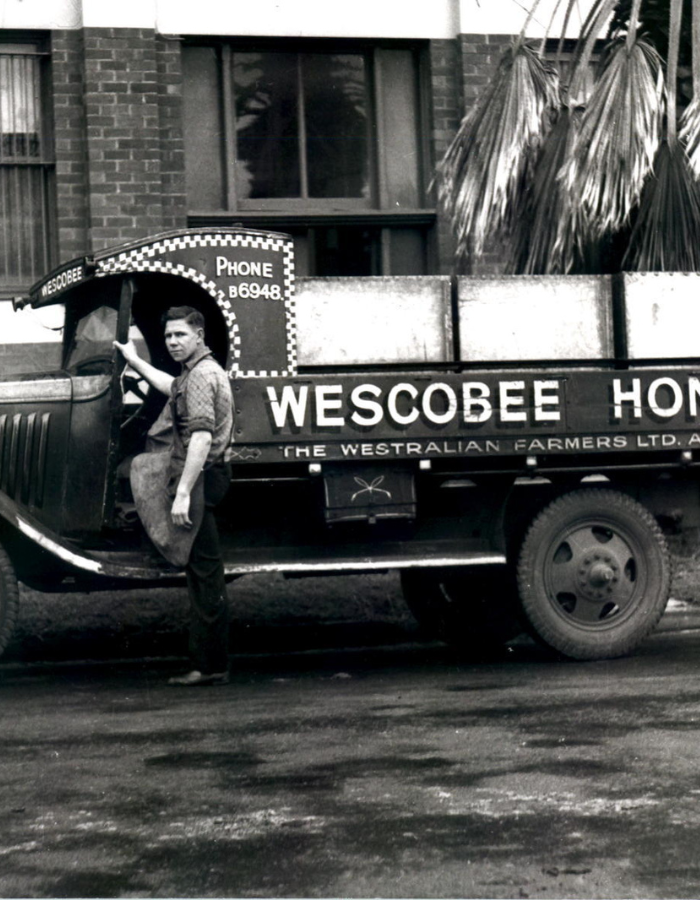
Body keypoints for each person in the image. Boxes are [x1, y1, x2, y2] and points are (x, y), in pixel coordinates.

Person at [114, 306, 233, 686]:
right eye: (168, 336)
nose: (172, 342)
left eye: (180, 334)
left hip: (201, 478)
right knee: (203, 572)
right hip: (205, 476)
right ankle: (211, 664)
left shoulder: (201, 377)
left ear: (199, 335)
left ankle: (209, 667)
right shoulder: (197, 372)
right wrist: (135, 361)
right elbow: (171, 387)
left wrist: (182, 492)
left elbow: (202, 437)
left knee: (205, 574)